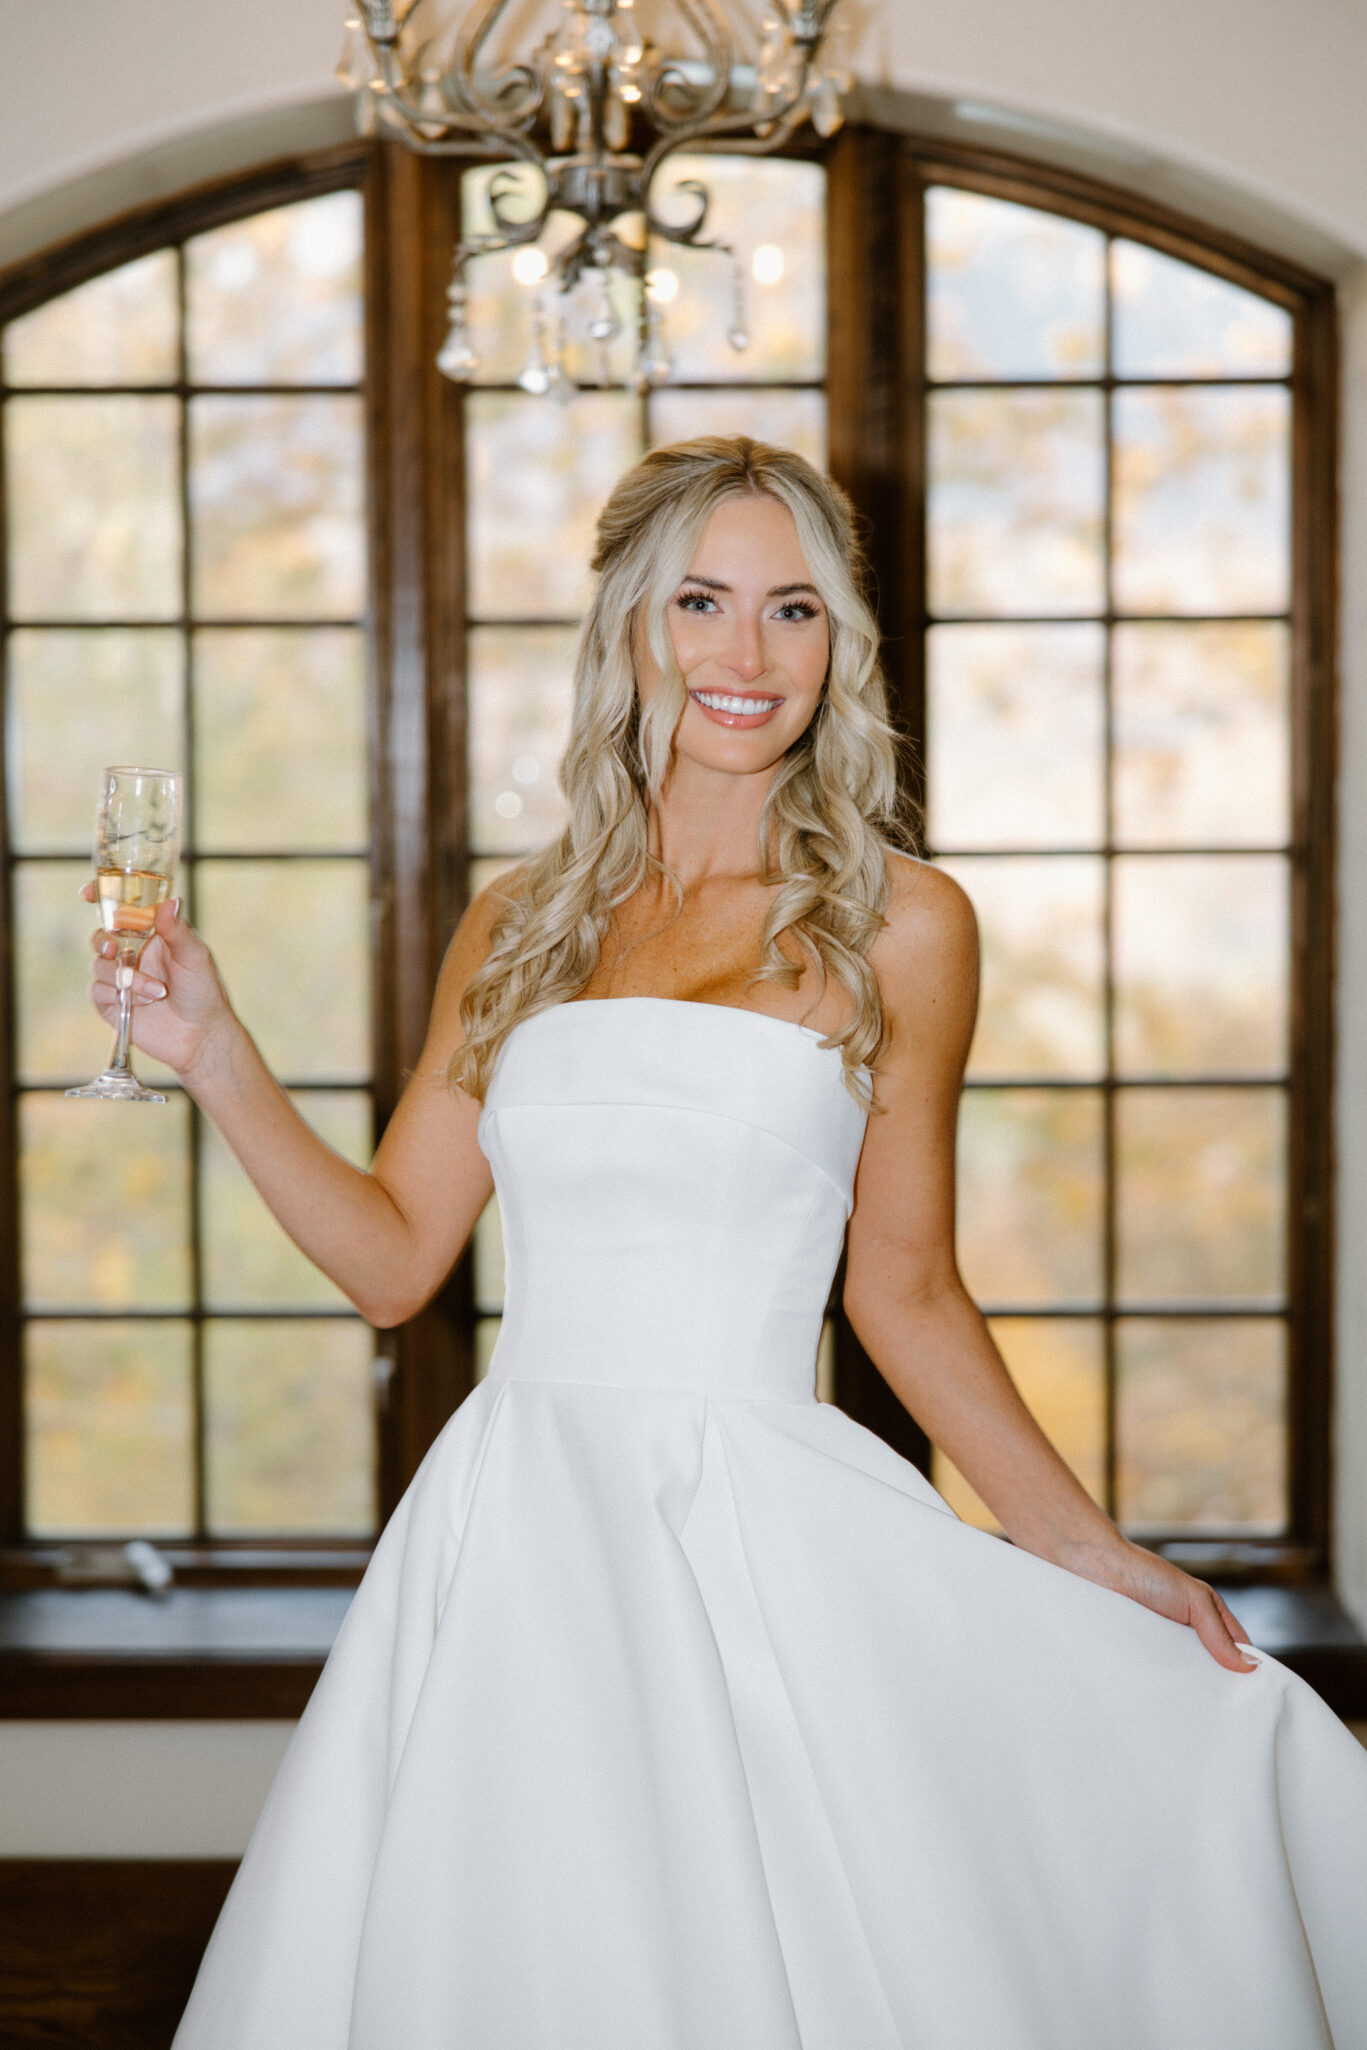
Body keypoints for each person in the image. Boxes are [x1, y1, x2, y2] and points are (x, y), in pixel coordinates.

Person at [92, 437, 1366, 2049]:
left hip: (755, 1525)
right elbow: (395, 1256)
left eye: (793, 608)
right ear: (632, 624)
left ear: (841, 644)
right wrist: (214, 1053)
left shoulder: (905, 923)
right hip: (514, 1534)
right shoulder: (522, 921)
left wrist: (1085, 1544)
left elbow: (905, 1286)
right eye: (701, 602)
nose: (745, 654)